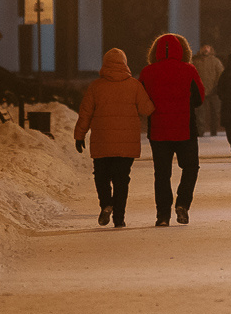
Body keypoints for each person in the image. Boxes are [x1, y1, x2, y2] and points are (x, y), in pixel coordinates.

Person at [74, 47, 153, 229]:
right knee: (121, 179)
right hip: (127, 142)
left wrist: (79, 136)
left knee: (101, 176)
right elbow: (147, 109)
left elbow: (85, 113)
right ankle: (119, 217)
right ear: (125, 64)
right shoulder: (134, 85)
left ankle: (106, 204)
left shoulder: (95, 87)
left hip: (102, 140)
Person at [141, 33, 205, 226]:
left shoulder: (147, 72)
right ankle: (183, 204)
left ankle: (162, 215)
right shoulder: (189, 70)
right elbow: (199, 98)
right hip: (185, 129)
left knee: (162, 174)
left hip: (158, 131)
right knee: (190, 167)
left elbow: (141, 101)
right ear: (183, 50)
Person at [194, 44, 225, 137]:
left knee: (215, 113)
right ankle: (200, 132)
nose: (206, 49)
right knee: (200, 114)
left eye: (208, 47)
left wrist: (217, 87)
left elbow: (221, 75)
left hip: (214, 92)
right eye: (204, 47)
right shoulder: (195, 61)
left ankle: (214, 131)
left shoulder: (216, 61)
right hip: (200, 91)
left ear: (211, 48)